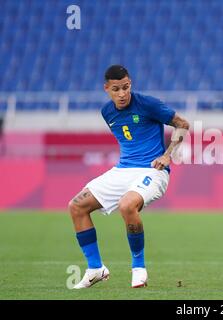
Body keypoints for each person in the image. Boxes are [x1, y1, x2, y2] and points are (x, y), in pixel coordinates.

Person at [68, 65, 190, 289]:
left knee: (127, 205)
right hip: (122, 170)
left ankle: (138, 268)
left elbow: (183, 124)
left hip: (153, 170)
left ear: (130, 84)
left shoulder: (148, 104)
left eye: (126, 87)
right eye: (116, 89)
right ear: (107, 89)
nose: (122, 94)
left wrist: (167, 155)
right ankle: (95, 268)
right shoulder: (107, 112)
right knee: (76, 206)